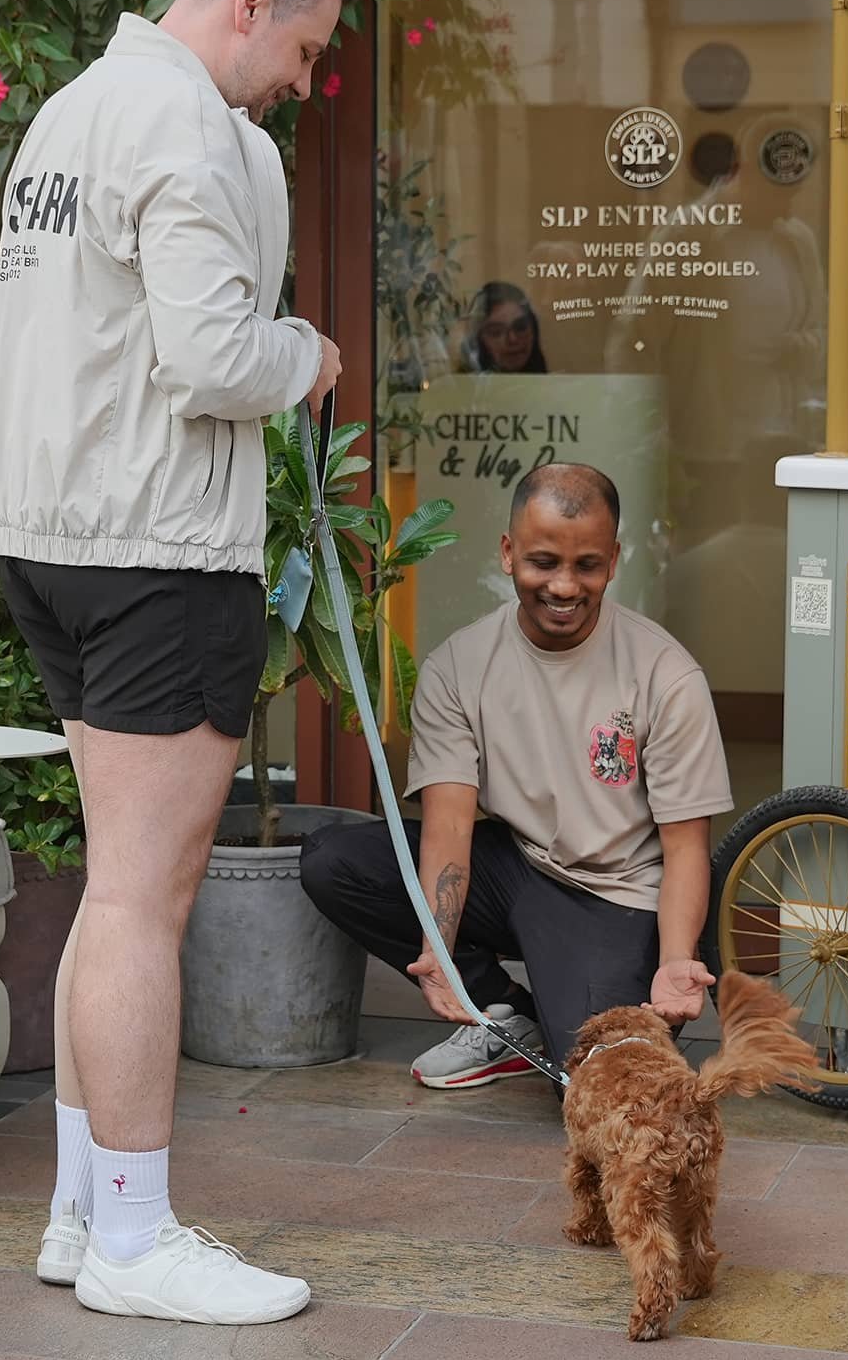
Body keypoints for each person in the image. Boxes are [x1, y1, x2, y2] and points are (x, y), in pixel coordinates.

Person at [0, 0, 358, 1322]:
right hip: (155, 551)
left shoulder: (73, 111)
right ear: (252, 2)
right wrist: (308, 353)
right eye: (308, 49)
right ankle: (135, 1236)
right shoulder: (191, 127)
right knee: (148, 897)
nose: (303, 84)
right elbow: (210, 357)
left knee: (111, 884)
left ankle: (86, 1215)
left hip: (50, 537)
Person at [299, 462, 733, 1090]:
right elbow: (449, 822)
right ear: (508, 554)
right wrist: (439, 952)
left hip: (617, 892)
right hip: (518, 867)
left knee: (596, 1080)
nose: (563, 586)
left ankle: (601, 1019)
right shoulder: (459, 666)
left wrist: (674, 961)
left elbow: (686, 847)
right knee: (335, 861)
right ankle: (501, 1012)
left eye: (586, 565)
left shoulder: (667, 674)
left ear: (614, 560)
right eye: (543, 562)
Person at [464, 282, 549, 374]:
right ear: (478, 340)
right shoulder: (459, 385)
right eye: (496, 332)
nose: (512, 339)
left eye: (520, 327)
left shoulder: (553, 386)